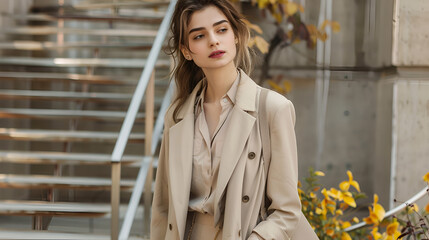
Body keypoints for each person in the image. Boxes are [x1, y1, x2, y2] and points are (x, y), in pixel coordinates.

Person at [150, 0, 318, 239]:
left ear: (237, 36)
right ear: (186, 50)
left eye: (221, 30)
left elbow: (287, 210)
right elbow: (162, 208)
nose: (213, 41)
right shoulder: (177, 116)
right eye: (199, 36)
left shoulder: (273, 109)